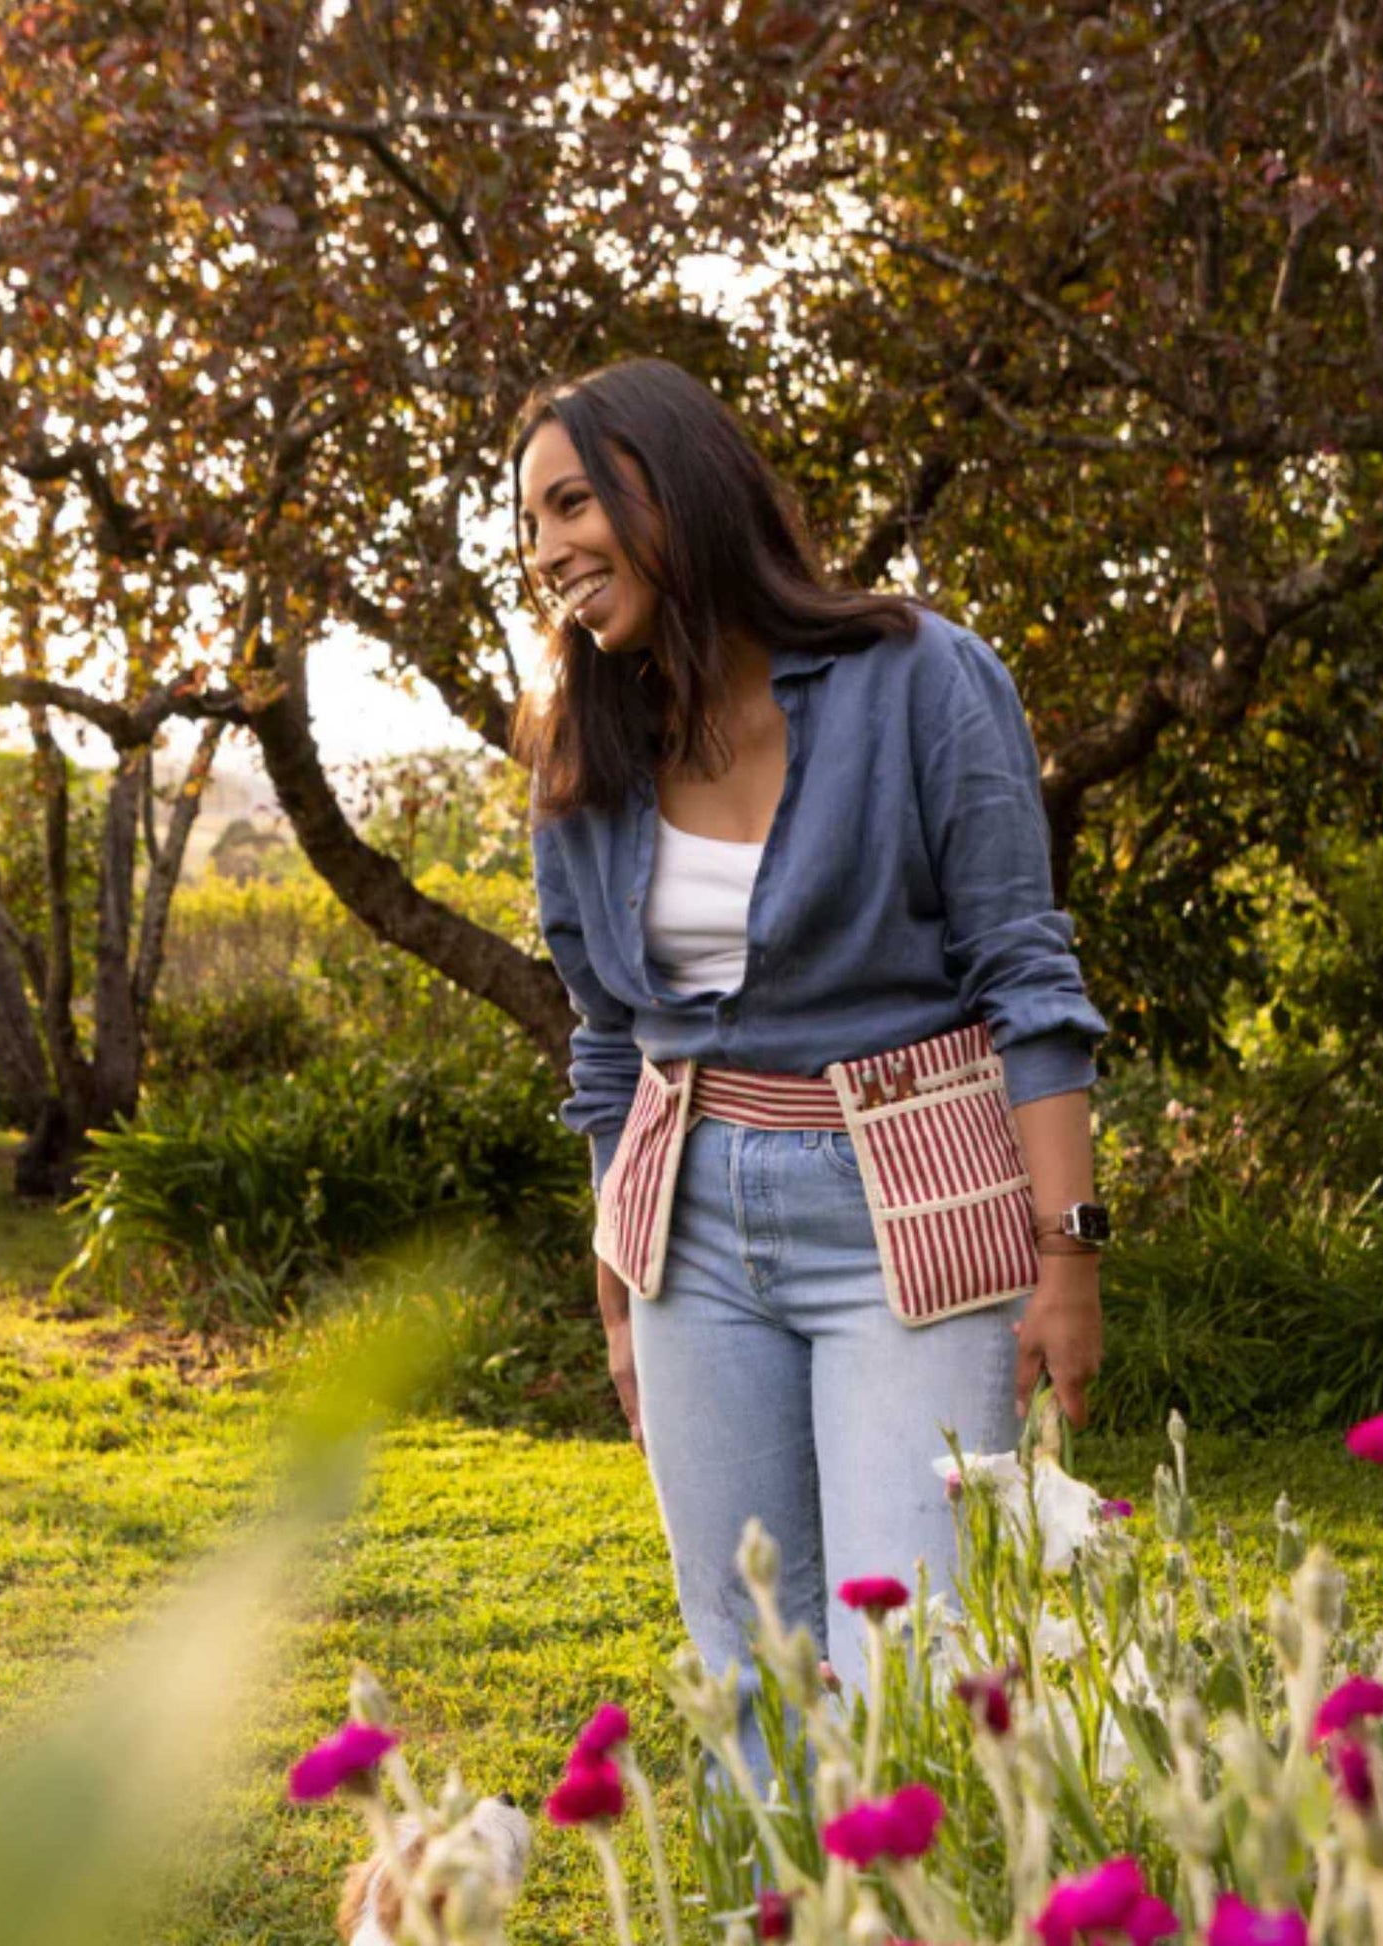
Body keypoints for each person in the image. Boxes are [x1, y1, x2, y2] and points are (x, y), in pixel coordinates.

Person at [510, 356, 1108, 1782]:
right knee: (750, 1664)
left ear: (678, 479)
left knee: (915, 1663)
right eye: (527, 528)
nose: (547, 553)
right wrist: (614, 1286)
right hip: (684, 1233)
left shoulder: (919, 677)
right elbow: (605, 1037)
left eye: (573, 500)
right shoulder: (583, 750)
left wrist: (1067, 1251)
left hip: (908, 1213)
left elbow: (1024, 973)